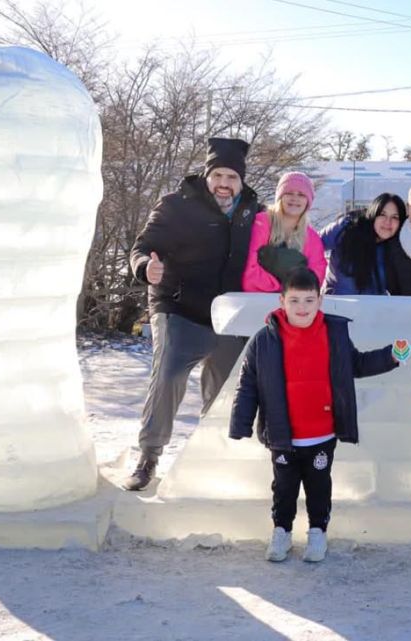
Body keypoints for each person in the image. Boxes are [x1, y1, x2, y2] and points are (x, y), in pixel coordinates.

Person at [228, 267, 399, 562]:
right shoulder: (264, 340)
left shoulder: (333, 333)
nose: (302, 307)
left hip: (321, 433)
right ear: (282, 301)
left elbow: (356, 364)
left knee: (319, 487)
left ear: (320, 300)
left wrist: (391, 355)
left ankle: (318, 532)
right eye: (294, 300)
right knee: (284, 488)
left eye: (309, 300)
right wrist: (240, 423)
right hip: (282, 434)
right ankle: (281, 531)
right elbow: (248, 384)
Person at [123, 137, 261, 491]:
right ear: (206, 174)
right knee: (169, 376)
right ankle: (149, 456)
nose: (224, 184)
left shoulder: (253, 212)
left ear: (241, 180)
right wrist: (145, 267)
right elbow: (143, 247)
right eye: (218, 175)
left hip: (228, 315)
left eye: (232, 177)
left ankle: (213, 458)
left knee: (227, 391)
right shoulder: (177, 205)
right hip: (179, 307)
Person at [242, 171, 327, 292]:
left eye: (301, 195)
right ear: (280, 197)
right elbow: (247, 266)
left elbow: (316, 276)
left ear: (308, 201)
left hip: (294, 301)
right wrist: (280, 288)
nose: (295, 198)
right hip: (256, 297)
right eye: (289, 193)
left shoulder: (312, 237)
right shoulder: (261, 223)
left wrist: (293, 293)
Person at [320, 192, 405, 295]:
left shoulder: (396, 246)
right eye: (382, 214)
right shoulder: (348, 228)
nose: (388, 222)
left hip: (372, 304)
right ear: (373, 213)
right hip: (337, 302)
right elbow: (311, 245)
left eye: (395, 217)